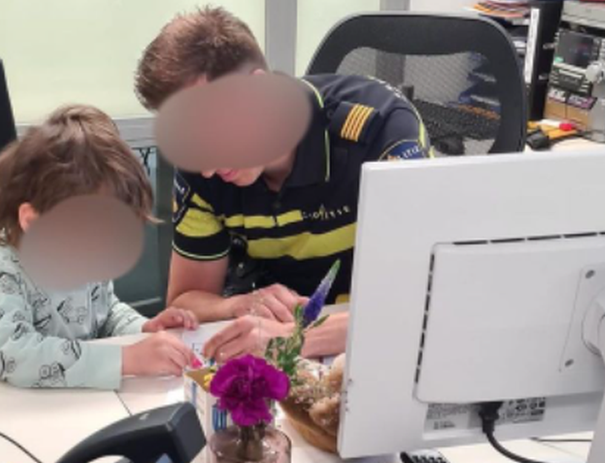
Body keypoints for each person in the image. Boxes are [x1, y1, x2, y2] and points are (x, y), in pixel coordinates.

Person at [135, 7, 432, 363]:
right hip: (269, 353)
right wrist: (237, 304)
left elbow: (423, 301)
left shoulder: (381, 132)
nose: (208, 167)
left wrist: (292, 341)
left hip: (371, 351)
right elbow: (186, 299)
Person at [0, 104, 198, 389]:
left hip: (71, 407)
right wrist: (127, 359)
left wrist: (142, 329)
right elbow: (12, 353)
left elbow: (106, 313)